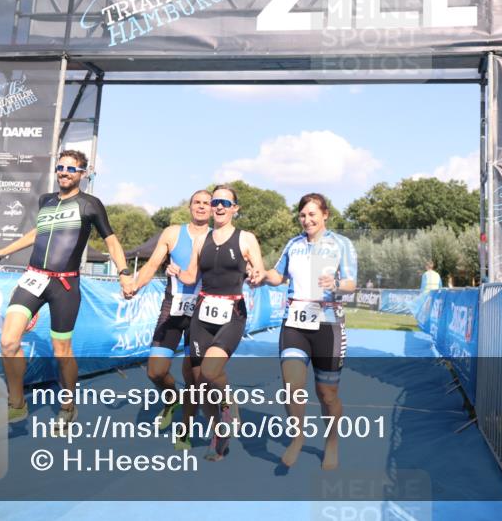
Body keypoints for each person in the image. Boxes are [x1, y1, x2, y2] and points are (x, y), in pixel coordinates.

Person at [0, 149, 134, 432]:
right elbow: (37, 233)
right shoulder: (46, 201)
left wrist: (124, 272)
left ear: (83, 174)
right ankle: (17, 404)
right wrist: (3, 251)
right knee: (8, 341)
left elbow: (111, 241)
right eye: (61, 167)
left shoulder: (90, 204)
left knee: (61, 350)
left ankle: (68, 406)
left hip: (64, 285)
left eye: (71, 169)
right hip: (33, 278)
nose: (64, 172)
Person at [261, 193, 357, 470]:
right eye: (302, 215)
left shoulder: (341, 244)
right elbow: (278, 275)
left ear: (325, 214)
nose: (307, 220)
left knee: (327, 394)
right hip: (294, 322)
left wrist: (336, 284)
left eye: (312, 214)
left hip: (328, 323)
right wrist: (262, 275)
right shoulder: (294, 244)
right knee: (291, 385)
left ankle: (332, 442)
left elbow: (351, 283)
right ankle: (298, 437)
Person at [175, 185, 265, 461]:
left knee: (210, 372)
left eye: (225, 203)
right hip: (202, 313)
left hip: (232, 312)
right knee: (200, 381)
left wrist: (255, 275)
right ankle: (219, 434)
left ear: (235, 208)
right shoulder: (201, 240)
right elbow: (191, 277)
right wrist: (175, 271)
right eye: (216, 202)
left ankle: (226, 400)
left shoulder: (246, 238)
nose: (219, 207)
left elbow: (259, 271)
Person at [131, 189, 211, 449]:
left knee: (194, 377)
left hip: (201, 312)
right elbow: (152, 265)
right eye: (197, 202)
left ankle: (185, 430)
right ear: (190, 206)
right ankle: (171, 399)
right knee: (155, 370)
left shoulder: (216, 238)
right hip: (172, 307)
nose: (201, 207)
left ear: (213, 209)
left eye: (206, 203)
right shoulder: (173, 233)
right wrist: (134, 286)